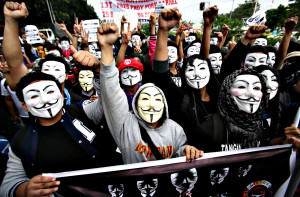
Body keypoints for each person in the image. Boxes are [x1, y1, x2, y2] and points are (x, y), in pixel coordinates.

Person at [0, 3, 120, 196]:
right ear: (24, 106)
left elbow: (112, 101)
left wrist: (101, 68)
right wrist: (24, 189)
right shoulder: (21, 141)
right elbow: (8, 186)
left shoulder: (83, 110)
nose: (44, 100)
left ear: (61, 89)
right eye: (34, 96)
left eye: (49, 91)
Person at [97, 13, 203, 164]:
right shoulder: (125, 124)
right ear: (135, 104)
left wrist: (187, 151)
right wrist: (107, 49)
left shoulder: (175, 130)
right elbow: (111, 92)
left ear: (165, 104)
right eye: (145, 98)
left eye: (157, 99)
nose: (152, 103)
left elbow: (180, 151)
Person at [152, 6, 221, 152]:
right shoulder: (181, 97)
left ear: (209, 74)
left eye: (202, 69)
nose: (197, 73)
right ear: (183, 74)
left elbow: (204, 60)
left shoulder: (219, 95)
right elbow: (161, 74)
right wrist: (163, 31)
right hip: (186, 159)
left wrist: (207, 27)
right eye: (190, 69)